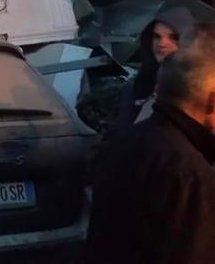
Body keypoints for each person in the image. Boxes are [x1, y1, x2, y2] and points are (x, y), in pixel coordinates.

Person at [86, 23, 215, 263]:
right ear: (211, 100)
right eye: (156, 36)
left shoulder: (123, 144)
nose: (162, 43)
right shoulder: (188, 170)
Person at [115, 6, 195, 130]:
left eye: (173, 37)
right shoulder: (138, 85)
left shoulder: (200, 86)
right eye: (156, 36)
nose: (162, 44)